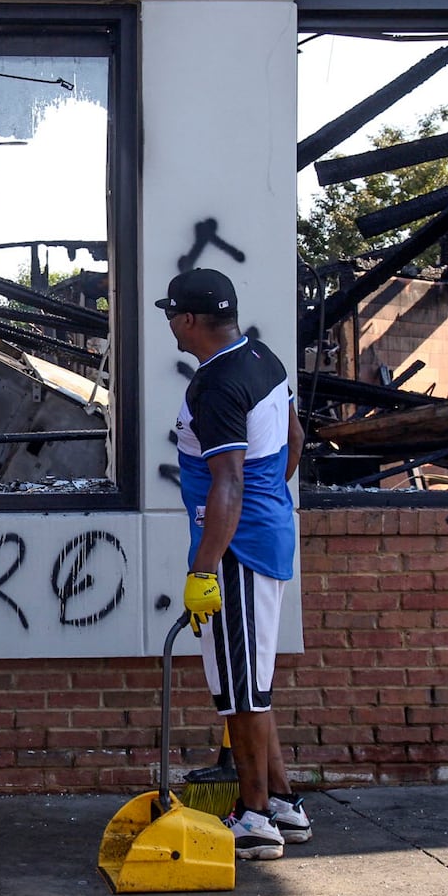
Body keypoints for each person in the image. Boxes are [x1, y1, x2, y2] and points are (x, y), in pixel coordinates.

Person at [155, 268, 310, 862]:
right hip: (261, 534)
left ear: (190, 320)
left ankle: (253, 816)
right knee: (254, 685)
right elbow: (295, 438)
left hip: (237, 549)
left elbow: (228, 480)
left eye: (173, 313)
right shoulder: (263, 359)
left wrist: (204, 567)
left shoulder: (216, 386)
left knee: (240, 693)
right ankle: (284, 803)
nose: (169, 322)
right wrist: (269, 503)